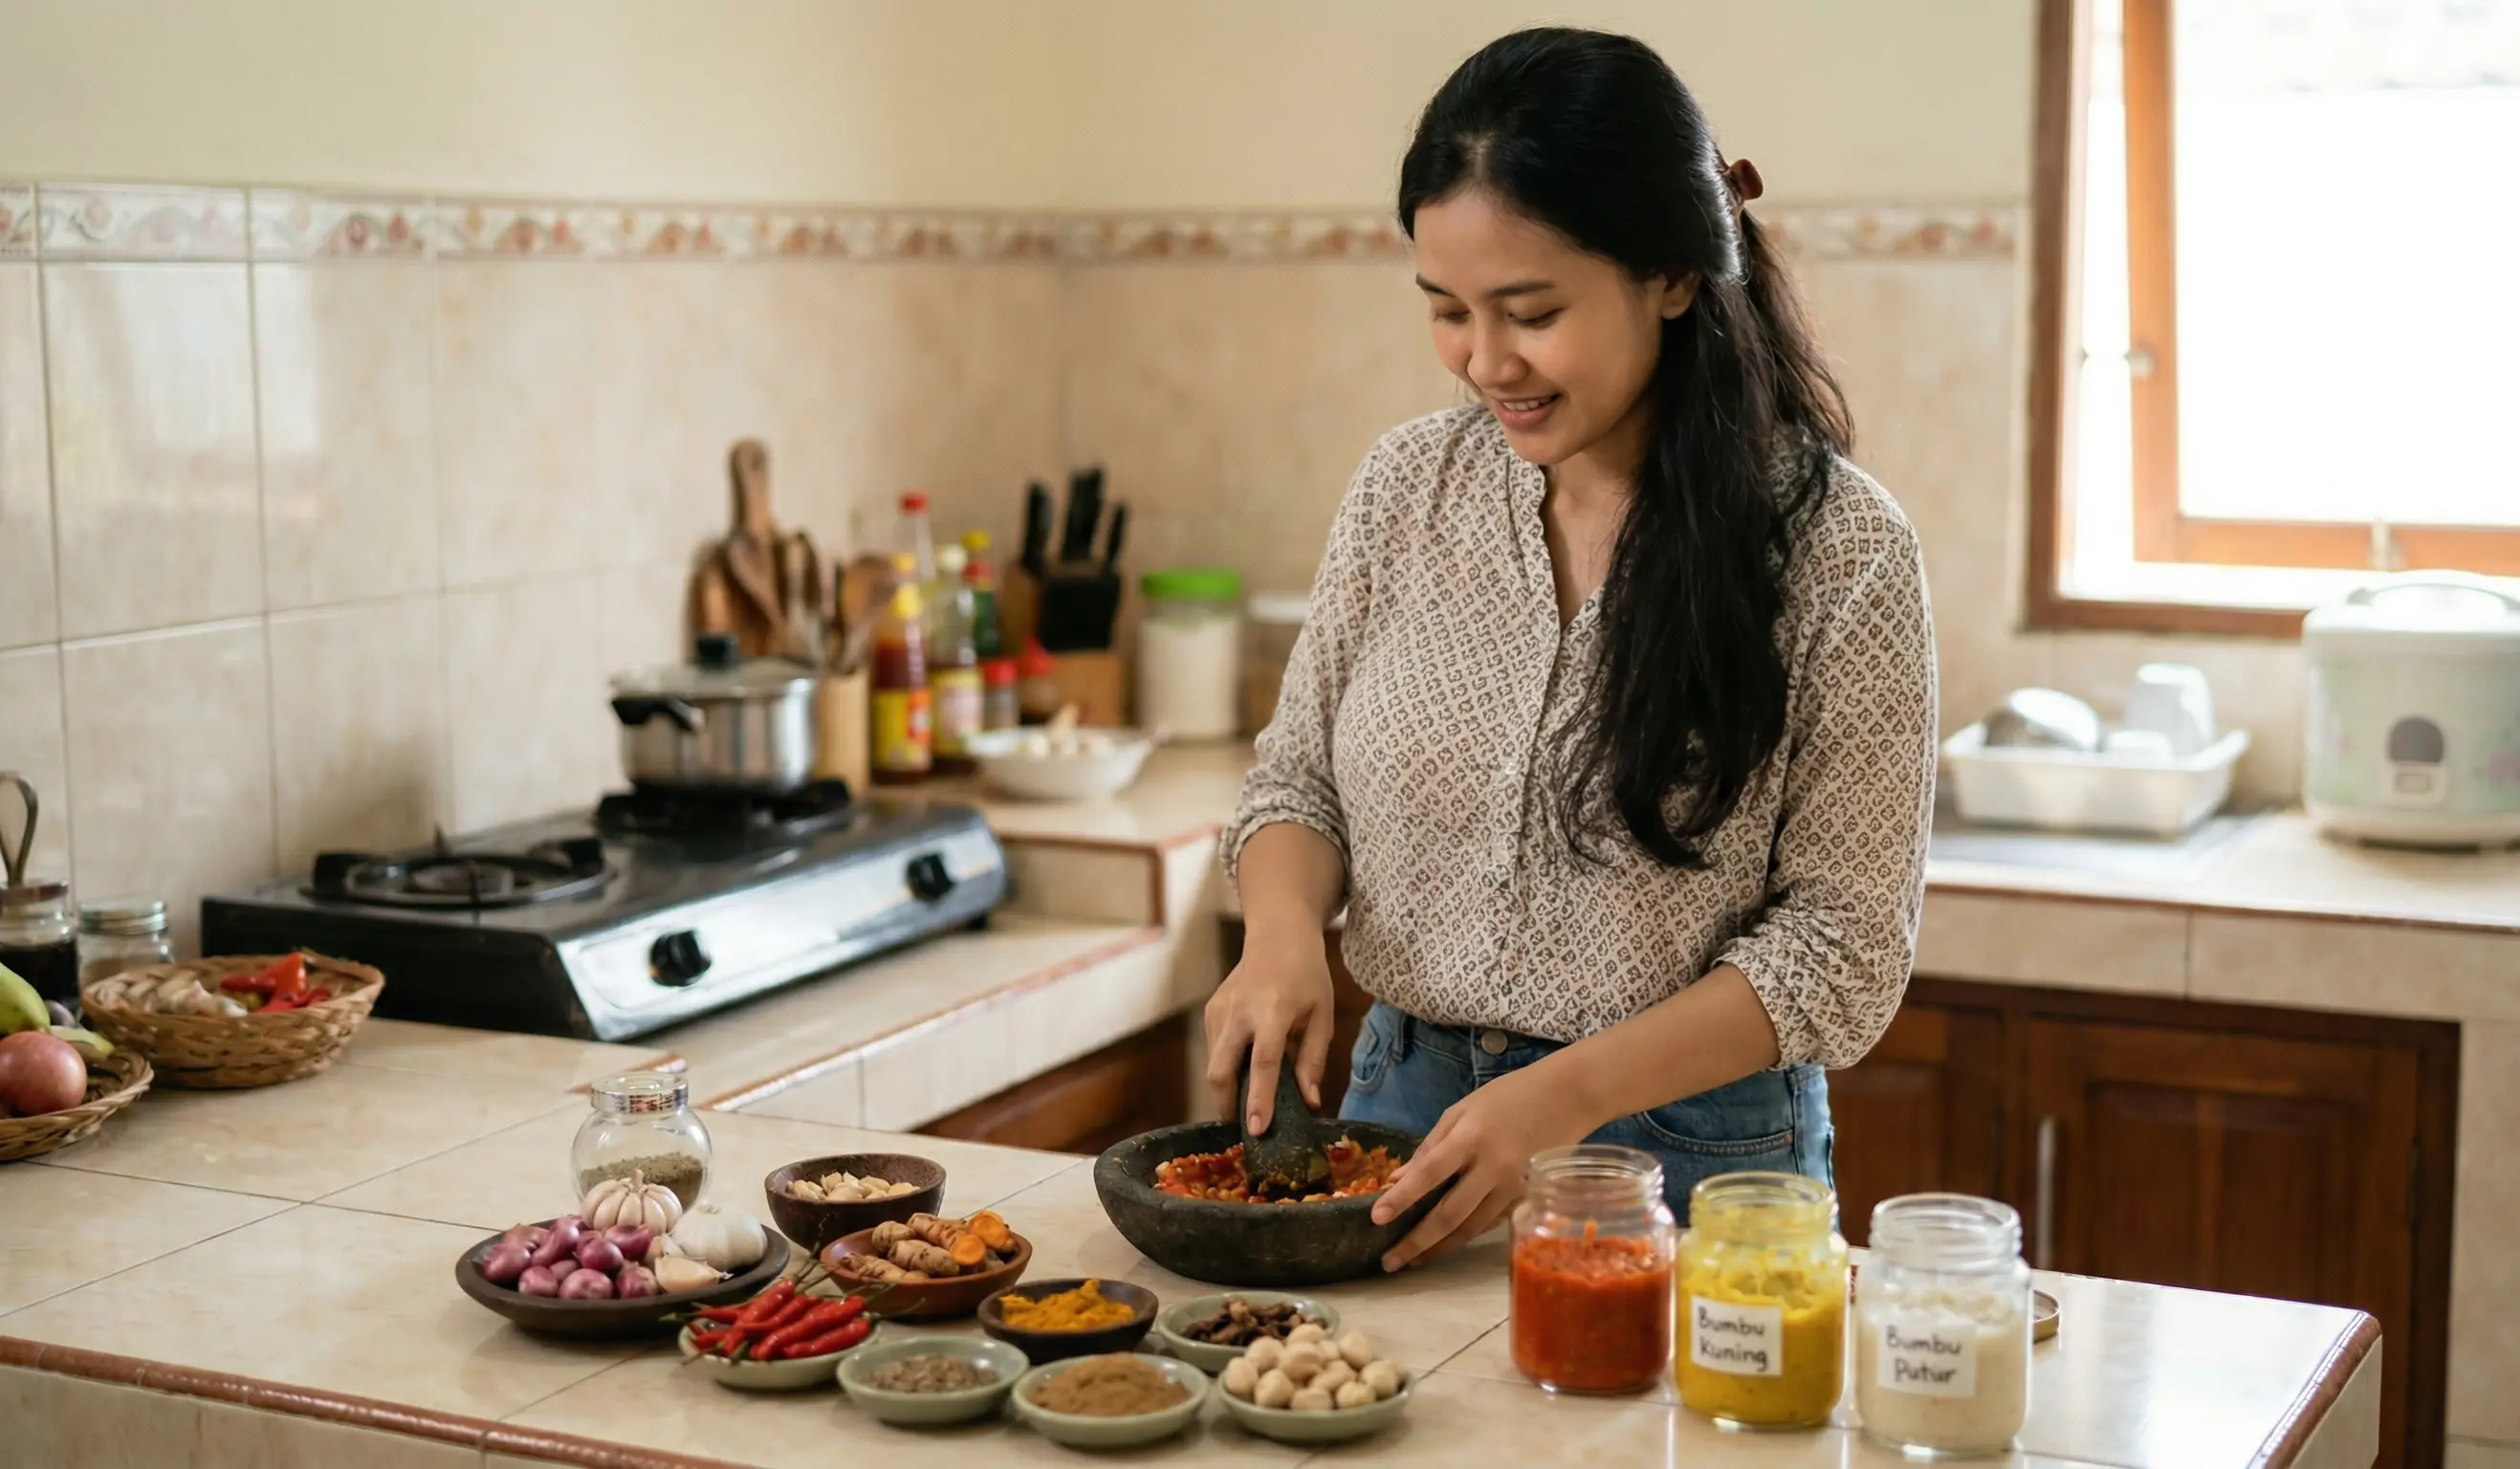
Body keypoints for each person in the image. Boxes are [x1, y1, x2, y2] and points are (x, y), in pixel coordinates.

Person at [1208, 27, 1938, 1272]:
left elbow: (1841, 954)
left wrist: (1555, 1102)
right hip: (1400, 1117)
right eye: (1447, 311)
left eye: (1531, 312)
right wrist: (1281, 935)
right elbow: (1297, 782)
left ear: (1667, 275)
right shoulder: (1407, 489)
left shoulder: (1831, 546)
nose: (1486, 363)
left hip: (1692, 1164)